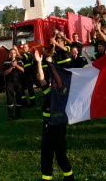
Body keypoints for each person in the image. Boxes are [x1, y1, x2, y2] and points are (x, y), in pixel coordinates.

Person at [34, 51, 75, 181]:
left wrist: (51, 64)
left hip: (58, 126)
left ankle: (69, 176)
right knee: (46, 154)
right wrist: (39, 62)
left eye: (53, 80)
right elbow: (41, 79)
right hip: (47, 126)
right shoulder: (48, 92)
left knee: (60, 154)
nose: (50, 82)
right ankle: (46, 178)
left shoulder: (62, 93)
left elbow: (57, 78)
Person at [3, 48, 25, 120]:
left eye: (14, 53)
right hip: (9, 82)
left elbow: (23, 70)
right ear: (9, 54)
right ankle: (10, 115)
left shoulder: (19, 61)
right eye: (11, 53)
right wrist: (12, 67)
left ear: (16, 54)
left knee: (19, 97)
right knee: (9, 98)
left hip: (18, 82)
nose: (13, 54)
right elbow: (5, 73)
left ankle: (18, 115)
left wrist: (16, 65)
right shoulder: (6, 62)